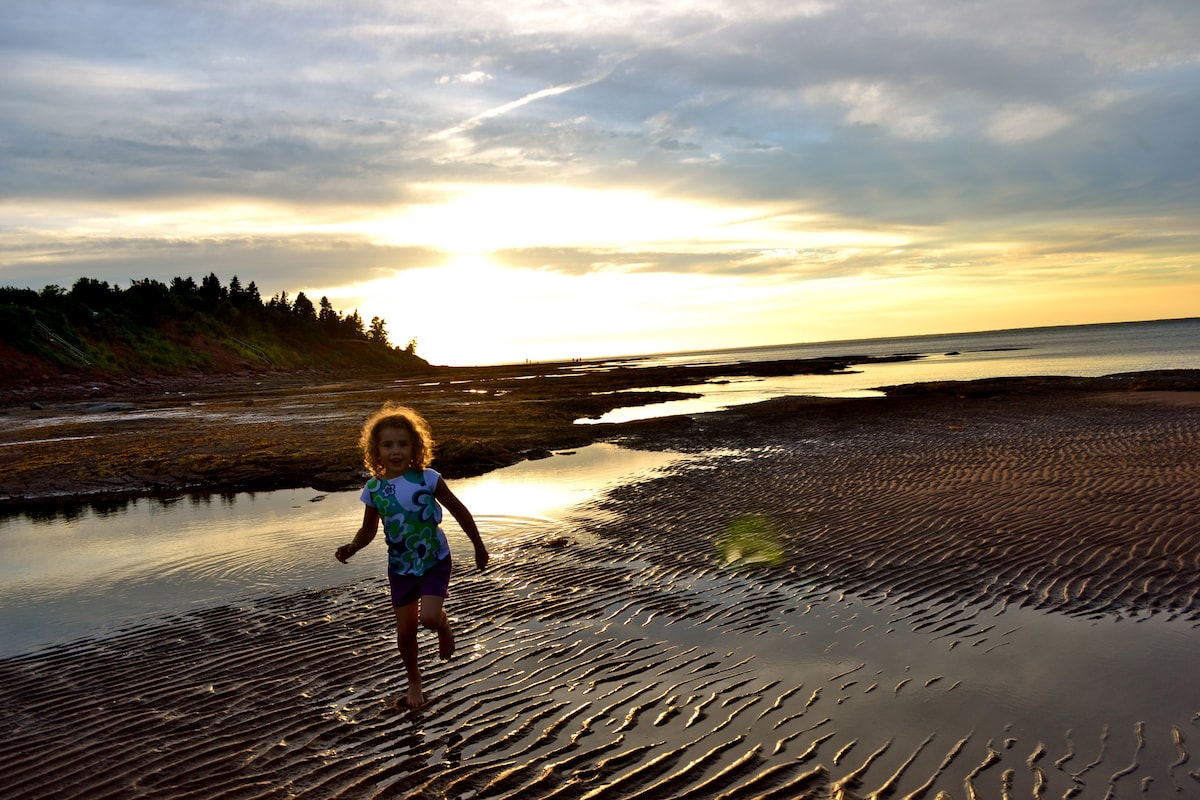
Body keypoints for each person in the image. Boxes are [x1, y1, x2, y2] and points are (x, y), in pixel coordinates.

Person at [335, 403, 489, 709]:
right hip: (401, 567)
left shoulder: (428, 478)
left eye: (403, 444)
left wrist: (478, 544)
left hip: (434, 559)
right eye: (388, 445)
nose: (396, 451)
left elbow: (459, 510)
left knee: (429, 618)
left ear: (415, 447)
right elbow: (368, 530)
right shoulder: (374, 489)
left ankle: (444, 627)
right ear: (376, 450)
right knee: (405, 631)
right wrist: (353, 546)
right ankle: (414, 682)